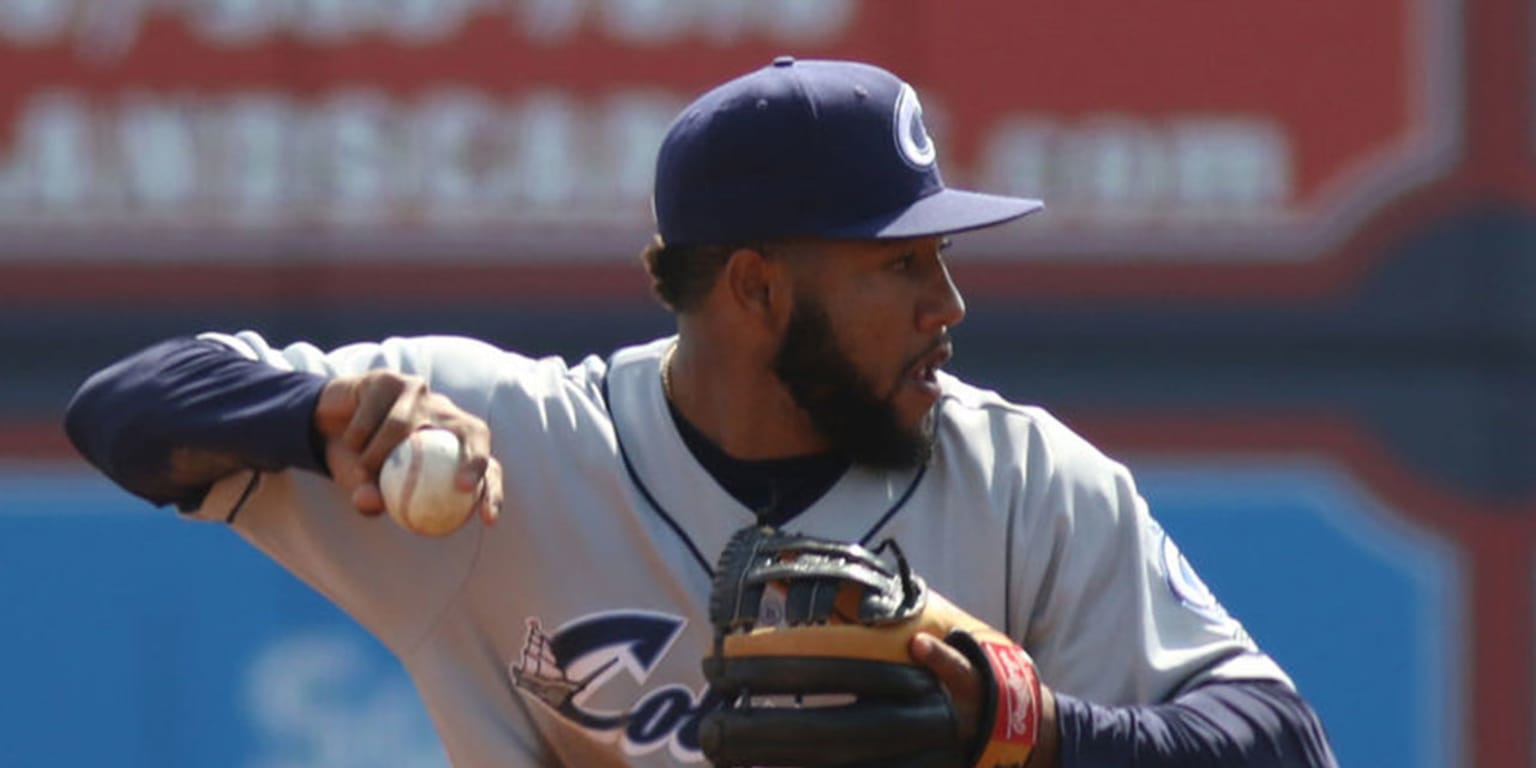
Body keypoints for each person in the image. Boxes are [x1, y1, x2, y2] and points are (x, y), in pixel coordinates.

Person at [65, 57, 1338, 767]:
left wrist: (1030, 726)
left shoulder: (1020, 481)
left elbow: (1278, 741)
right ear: (757, 288)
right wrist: (321, 409)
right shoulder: (514, 449)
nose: (948, 303)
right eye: (900, 264)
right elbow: (120, 411)